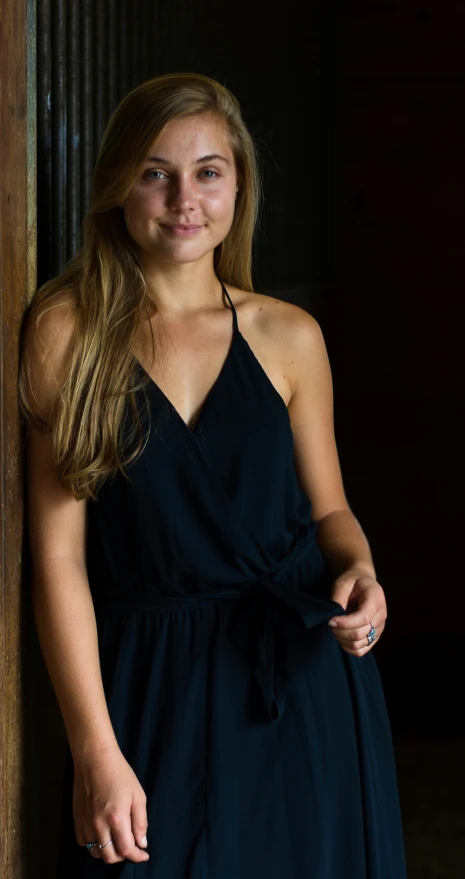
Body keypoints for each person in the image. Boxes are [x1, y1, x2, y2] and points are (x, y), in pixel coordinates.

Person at [19, 72, 407, 877]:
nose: (181, 198)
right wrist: (95, 747)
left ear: (238, 185)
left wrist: (360, 570)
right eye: (154, 171)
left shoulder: (289, 335)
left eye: (207, 171)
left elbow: (330, 512)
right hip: (147, 684)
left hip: (296, 683)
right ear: (118, 183)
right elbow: (56, 558)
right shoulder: (66, 332)